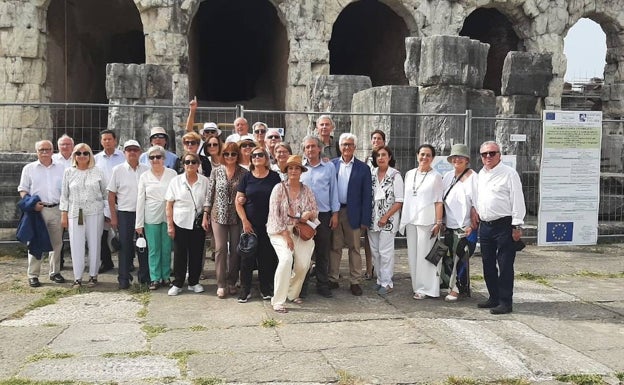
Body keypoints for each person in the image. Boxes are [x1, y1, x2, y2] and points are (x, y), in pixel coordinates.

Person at [476, 141, 526, 315]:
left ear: (499, 154)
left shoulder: (509, 174)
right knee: (487, 263)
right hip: (485, 225)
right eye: (484, 154)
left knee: (504, 264)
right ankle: (493, 297)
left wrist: (517, 225)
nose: (488, 157)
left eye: (492, 153)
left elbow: (517, 199)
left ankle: (506, 302)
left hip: (504, 224)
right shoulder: (480, 174)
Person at [267, 155, 318, 313]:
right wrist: (286, 235)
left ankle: (292, 293)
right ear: (286, 170)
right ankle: (278, 300)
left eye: (297, 168)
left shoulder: (306, 189)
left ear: (301, 171)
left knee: (304, 264)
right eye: (291, 168)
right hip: (280, 231)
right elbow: (274, 215)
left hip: (300, 230)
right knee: (286, 259)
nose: (294, 170)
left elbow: (315, 210)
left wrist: (308, 213)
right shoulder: (278, 189)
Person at [235, 146, 281, 302]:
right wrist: (245, 222)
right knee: (246, 258)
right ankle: (245, 290)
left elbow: (280, 200)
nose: (256, 157)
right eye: (253, 155)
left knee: (266, 258)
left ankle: (265, 288)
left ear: (266, 158)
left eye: (260, 155)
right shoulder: (246, 178)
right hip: (250, 225)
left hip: (269, 224)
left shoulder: (274, 177)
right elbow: (238, 202)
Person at [18, 140, 66, 287]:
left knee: (57, 243)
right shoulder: (29, 168)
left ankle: (55, 272)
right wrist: (32, 204)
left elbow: (66, 190)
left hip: (57, 209)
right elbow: (23, 189)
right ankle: (33, 275)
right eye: (41, 150)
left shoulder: (62, 168)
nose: (44, 152)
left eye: (47, 149)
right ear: (36, 151)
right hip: (39, 211)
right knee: (35, 242)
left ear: (53, 151)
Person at [329, 133, 372, 296]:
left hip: (354, 213)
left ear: (355, 147)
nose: (347, 147)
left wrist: (365, 220)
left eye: (350, 144)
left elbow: (367, 196)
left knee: (355, 247)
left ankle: (355, 281)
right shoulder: (332, 165)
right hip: (336, 211)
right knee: (335, 247)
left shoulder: (363, 168)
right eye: (344, 144)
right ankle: (333, 278)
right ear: (340, 147)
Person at [400, 144, 444, 300]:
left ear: (432, 158)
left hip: (427, 221)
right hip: (411, 219)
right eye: (422, 154)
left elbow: (439, 201)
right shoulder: (409, 174)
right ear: (417, 155)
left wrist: (438, 222)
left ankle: (428, 288)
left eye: (428, 155)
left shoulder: (436, 176)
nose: (424, 158)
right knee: (413, 255)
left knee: (427, 256)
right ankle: (417, 286)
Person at [60, 143, 107, 288]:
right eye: (78, 153)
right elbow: (64, 195)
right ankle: (77, 277)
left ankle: (93, 275)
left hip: (95, 211)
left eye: (85, 153)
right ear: (74, 155)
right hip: (75, 212)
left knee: (94, 243)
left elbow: (105, 193)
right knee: (76, 244)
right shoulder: (68, 172)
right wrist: (64, 214)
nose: (82, 156)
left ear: (90, 155)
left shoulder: (98, 171)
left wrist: (107, 213)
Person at [204, 142, 247, 298]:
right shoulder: (216, 171)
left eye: (233, 154)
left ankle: (232, 281)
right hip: (218, 215)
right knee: (221, 249)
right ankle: (221, 283)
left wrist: (244, 200)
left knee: (236, 250)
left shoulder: (243, 173)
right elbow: (210, 194)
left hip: (236, 215)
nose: (230, 157)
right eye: (227, 154)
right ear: (223, 155)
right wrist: (205, 214)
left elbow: (246, 192)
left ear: (237, 155)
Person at [108, 140, 150, 289]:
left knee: (144, 247)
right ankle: (124, 279)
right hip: (125, 213)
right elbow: (111, 195)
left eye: (135, 150)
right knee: (125, 248)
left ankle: (145, 278)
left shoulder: (146, 169)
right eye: (129, 150)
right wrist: (113, 216)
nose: (132, 152)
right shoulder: (117, 170)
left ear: (140, 152)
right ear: (124, 153)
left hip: (144, 213)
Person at [300, 136, 339, 298]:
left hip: (323, 215)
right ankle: (302, 287)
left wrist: (335, 213)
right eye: (307, 147)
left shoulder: (328, 167)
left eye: (313, 147)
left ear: (319, 148)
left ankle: (322, 285)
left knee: (323, 251)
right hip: (304, 217)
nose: (310, 150)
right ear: (304, 150)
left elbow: (334, 191)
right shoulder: (300, 167)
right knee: (304, 253)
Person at [165, 152, 209, 296]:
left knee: (197, 254)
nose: (191, 165)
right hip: (180, 221)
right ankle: (177, 283)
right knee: (179, 254)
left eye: (194, 162)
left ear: (198, 164)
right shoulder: (175, 181)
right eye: (187, 162)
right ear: (183, 165)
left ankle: (194, 282)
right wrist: (170, 225)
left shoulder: (205, 181)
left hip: (198, 222)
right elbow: (169, 204)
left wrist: (206, 218)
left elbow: (208, 203)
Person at [136, 146, 177, 290]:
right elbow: (140, 199)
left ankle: (166, 276)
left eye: (158, 157)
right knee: (153, 248)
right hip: (150, 215)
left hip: (168, 215)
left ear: (164, 159)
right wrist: (139, 223)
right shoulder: (144, 176)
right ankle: (155, 278)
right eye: (152, 157)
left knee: (166, 247)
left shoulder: (172, 174)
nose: (155, 160)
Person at [442, 144, 479, 302]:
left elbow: (478, 203)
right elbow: (442, 200)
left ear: (467, 160)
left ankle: (456, 289)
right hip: (449, 224)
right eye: (454, 157)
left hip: (465, 225)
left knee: (461, 256)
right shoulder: (448, 176)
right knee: (450, 257)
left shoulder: (474, 177)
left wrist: (472, 224)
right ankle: (459, 286)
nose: (457, 160)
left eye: (461, 157)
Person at [368, 145, 404, 295]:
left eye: (384, 155)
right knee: (375, 251)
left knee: (385, 251)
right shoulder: (372, 174)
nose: (381, 158)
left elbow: (399, 201)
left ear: (389, 157)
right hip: (373, 218)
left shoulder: (395, 175)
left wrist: (386, 216)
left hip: (388, 220)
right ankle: (379, 280)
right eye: (378, 155)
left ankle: (387, 282)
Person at [94, 129, 125, 273]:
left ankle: (127, 262)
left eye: (109, 139)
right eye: (104, 139)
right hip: (103, 200)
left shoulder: (123, 157)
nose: (107, 142)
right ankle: (106, 261)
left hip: (122, 199)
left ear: (115, 140)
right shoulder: (95, 159)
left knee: (124, 233)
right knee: (103, 234)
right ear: (101, 141)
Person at [363, 129, 388, 280]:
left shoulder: (387, 158)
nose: (376, 141)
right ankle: (368, 268)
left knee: (382, 244)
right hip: (369, 202)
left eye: (379, 139)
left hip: (383, 205)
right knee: (368, 239)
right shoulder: (367, 159)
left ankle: (382, 272)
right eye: (374, 139)